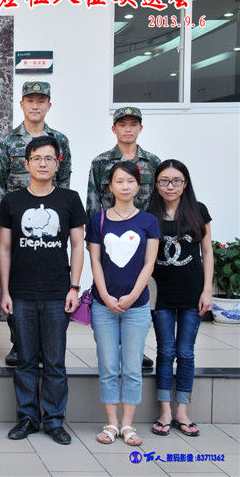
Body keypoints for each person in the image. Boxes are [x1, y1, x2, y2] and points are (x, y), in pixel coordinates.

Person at [0, 136, 86, 445]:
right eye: (37, 158)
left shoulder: (69, 199)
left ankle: (55, 420)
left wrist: (74, 287)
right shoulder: (12, 201)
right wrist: (5, 291)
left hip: (57, 292)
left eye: (49, 159)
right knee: (25, 360)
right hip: (21, 293)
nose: (42, 164)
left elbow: (78, 245)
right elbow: (4, 248)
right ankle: (28, 418)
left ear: (57, 164)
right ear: (27, 163)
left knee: (55, 361)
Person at [0, 81, 72, 367]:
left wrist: (61, 217)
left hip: (48, 222)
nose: (35, 105)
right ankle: (18, 342)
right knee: (16, 281)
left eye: (41, 100)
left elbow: (64, 180)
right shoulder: (8, 141)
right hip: (16, 221)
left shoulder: (60, 141)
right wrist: (1, 222)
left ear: (49, 105)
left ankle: (47, 344)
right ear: (21, 104)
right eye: (30, 100)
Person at [87, 162, 160, 447]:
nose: (125, 186)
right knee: (107, 366)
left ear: (138, 186)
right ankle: (111, 424)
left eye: (130, 181)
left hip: (137, 306)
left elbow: (149, 263)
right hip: (102, 305)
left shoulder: (148, 221)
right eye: (119, 181)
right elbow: (95, 261)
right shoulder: (98, 220)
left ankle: (128, 425)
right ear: (110, 186)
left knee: (131, 367)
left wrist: (132, 296)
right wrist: (105, 296)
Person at [87, 106, 161, 369]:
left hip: (143, 236)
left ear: (140, 128)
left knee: (140, 292)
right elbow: (93, 201)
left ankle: (135, 349)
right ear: (114, 128)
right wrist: (92, 240)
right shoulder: (100, 162)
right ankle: (112, 346)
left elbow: (158, 203)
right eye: (122, 124)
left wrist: (154, 234)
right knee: (109, 288)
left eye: (133, 124)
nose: (128, 129)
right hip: (107, 236)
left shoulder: (153, 162)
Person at [148, 160, 213, 437]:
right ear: (156, 184)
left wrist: (207, 290)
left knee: (186, 352)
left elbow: (207, 251)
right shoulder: (149, 214)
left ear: (185, 183)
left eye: (176, 181)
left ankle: (182, 411)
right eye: (164, 181)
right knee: (165, 351)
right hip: (160, 295)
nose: (170, 186)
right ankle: (165, 410)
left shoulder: (198, 211)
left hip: (192, 293)